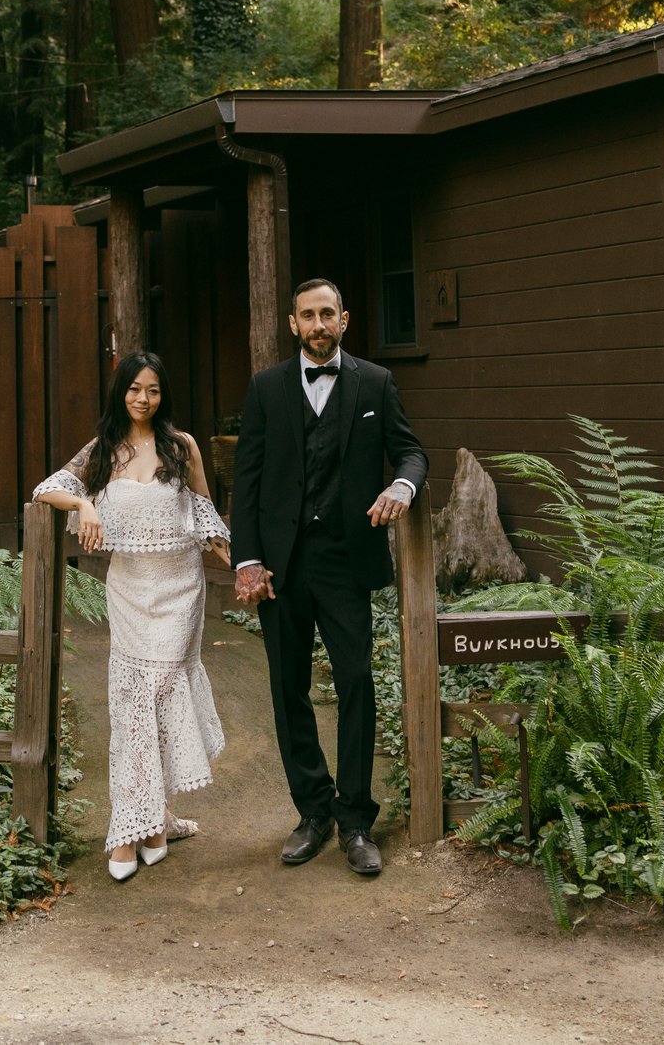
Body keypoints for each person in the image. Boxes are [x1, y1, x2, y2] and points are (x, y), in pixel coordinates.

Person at [231, 278, 428, 878]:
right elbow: (249, 480)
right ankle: (312, 811)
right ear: (293, 325)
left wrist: (402, 485)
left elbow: (412, 451)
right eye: (307, 316)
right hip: (283, 565)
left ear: (346, 319)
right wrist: (247, 559)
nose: (318, 324)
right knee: (287, 690)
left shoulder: (375, 382)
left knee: (358, 682)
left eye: (328, 314)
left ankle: (357, 820)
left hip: (346, 560)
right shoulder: (266, 388)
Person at [32, 350, 230, 880]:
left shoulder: (181, 446)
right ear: (121, 391)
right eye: (135, 389)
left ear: (163, 396)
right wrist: (85, 505)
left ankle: (140, 822)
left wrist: (238, 561)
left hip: (181, 587)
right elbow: (45, 489)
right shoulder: (102, 451)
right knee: (131, 703)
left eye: (154, 391)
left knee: (162, 693)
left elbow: (204, 508)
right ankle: (144, 823)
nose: (144, 399)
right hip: (129, 590)